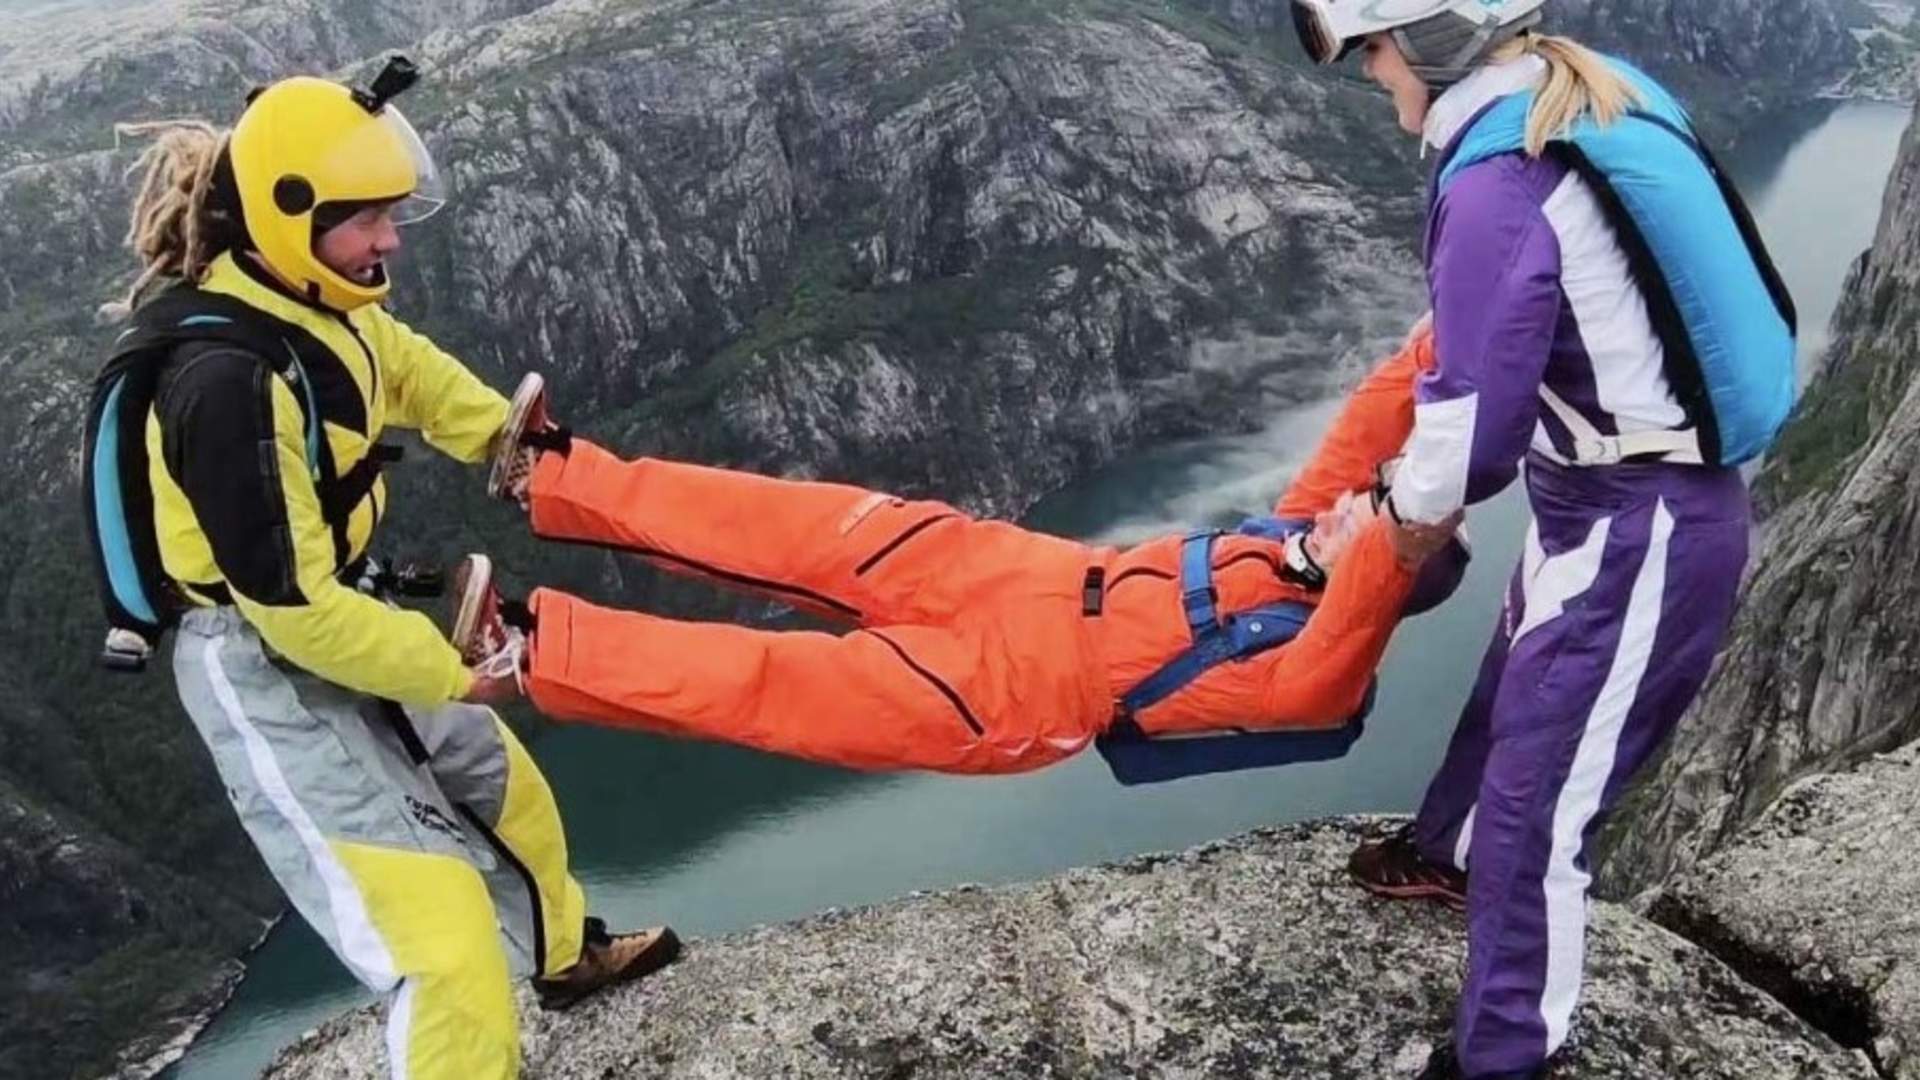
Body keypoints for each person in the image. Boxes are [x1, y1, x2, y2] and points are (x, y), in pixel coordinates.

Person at [91, 61, 677, 1080]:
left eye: (392, 214)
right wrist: (460, 672)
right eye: (367, 220)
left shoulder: (315, 300)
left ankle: (560, 956)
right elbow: (292, 613)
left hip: (337, 605)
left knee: (506, 794)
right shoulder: (222, 385)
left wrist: (506, 439)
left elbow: (400, 367)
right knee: (439, 943)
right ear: (290, 217)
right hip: (257, 658)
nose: (391, 240)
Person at [1288, 2, 1785, 1077]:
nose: (1374, 78)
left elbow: (1470, 431)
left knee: (1540, 803)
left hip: (1642, 523)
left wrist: (1389, 536)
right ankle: (1447, 856)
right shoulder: (1565, 96)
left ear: (1426, 41)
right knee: (1512, 691)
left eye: (1374, 50)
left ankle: (1509, 1053)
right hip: (1607, 501)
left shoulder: (1495, 182)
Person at [446, 327, 1463, 776]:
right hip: (1029, 570)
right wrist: (1454, 337)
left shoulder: (1311, 670)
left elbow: (1374, 573)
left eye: (1363, 517)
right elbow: (1376, 414)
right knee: (795, 526)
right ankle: (556, 474)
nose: (1338, 511)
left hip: (1017, 694)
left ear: (1389, 561)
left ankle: (528, 656)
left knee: (771, 682)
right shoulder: (1292, 543)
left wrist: (1414, 516)